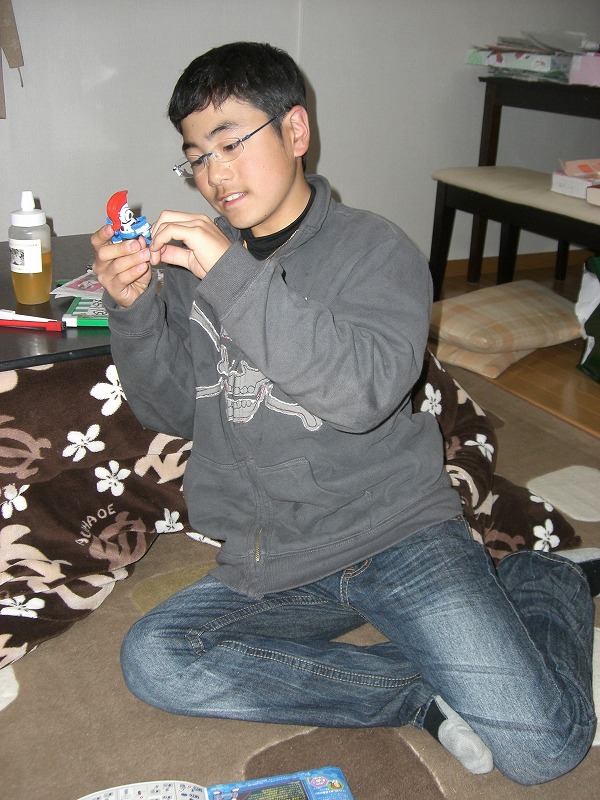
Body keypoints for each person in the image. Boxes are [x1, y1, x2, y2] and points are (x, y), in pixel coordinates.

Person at [91, 41, 597, 785]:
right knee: (158, 659)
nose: (214, 174)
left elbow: (362, 397)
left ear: (295, 131)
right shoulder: (197, 272)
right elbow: (171, 411)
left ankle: (545, 582)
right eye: (195, 157)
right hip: (279, 558)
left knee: (544, 751)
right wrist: (134, 311)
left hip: (397, 534)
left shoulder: (376, 250)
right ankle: (421, 691)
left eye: (231, 143)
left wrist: (231, 275)